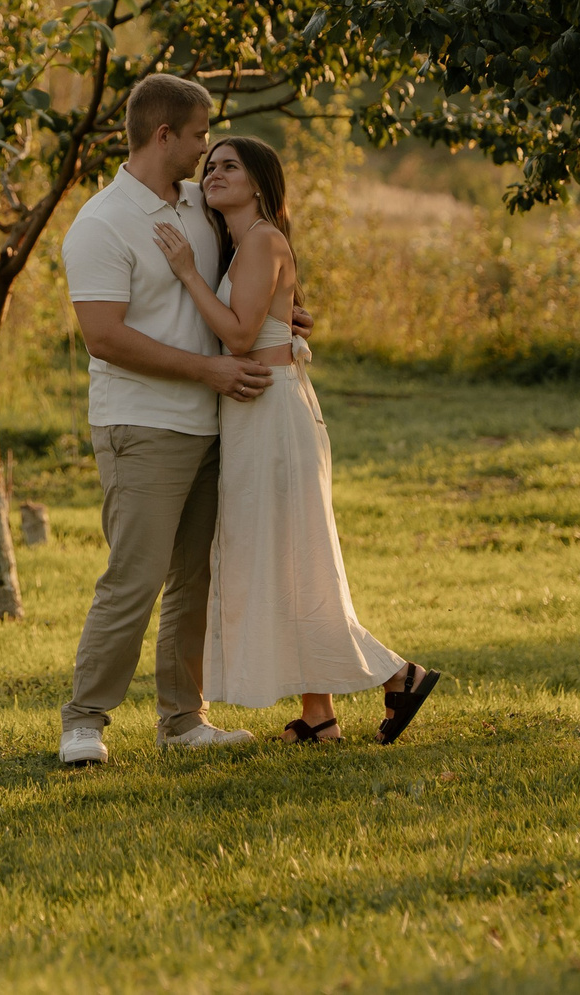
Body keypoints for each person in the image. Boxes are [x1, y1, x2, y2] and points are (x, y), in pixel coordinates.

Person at [151, 135, 441, 745]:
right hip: (261, 409)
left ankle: (399, 674)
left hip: (272, 413)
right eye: (210, 167)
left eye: (229, 166)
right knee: (288, 558)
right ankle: (319, 715)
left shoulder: (259, 239)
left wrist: (184, 273)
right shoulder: (248, 245)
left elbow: (236, 337)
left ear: (259, 182)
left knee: (293, 556)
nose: (214, 175)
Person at [58, 74, 285, 765]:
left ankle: (183, 718)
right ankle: (84, 722)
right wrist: (208, 370)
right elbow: (105, 336)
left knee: (195, 576)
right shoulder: (100, 223)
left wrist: (279, 315)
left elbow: (244, 278)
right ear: (166, 136)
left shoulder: (200, 203)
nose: (207, 145)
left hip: (215, 422)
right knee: (136, 573)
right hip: (143, 423)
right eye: (199, 134)